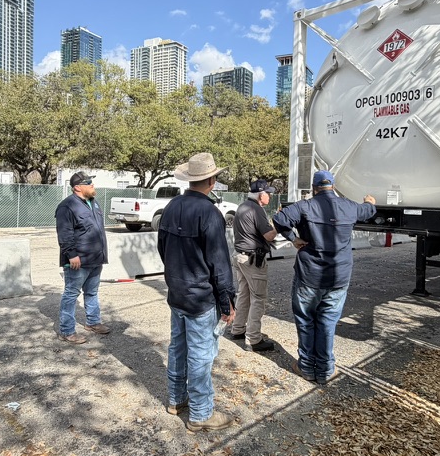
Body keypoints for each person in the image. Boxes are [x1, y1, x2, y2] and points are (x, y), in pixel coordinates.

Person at [272, 170, 377, 385]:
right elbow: (368, 211)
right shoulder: (350, 206)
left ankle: (307, 367)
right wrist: (370, 202)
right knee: (328, 322)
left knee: (306, 320)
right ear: (333, 187)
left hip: (309, 276)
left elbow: (279, 219)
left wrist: (293, 238)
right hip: (338, 278)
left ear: (314, 188)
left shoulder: (305, 206)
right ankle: (326, 369)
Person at [157, 152, 238, 432]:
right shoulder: (210, 213)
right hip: (201, 298)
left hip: (177, 292)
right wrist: (227, 302)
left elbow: (162, 249)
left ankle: (176, 400)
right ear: (212, 180)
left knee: (178, 348)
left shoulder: (170, 207)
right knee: (201, 355)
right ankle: (201, 414)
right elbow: (219, 262)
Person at [55, 171, 111, 344]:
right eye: (89, 183)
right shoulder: (67, 206)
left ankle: (93, 322)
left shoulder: (94, 203)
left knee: (92, 292)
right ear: (78, 187)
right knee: (71, 294)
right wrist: (71, 255)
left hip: (96, 258)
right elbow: (65, 233)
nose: (93, 186)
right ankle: (67, 331)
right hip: (79, 260)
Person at [227, 179, 279, 351]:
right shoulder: (256, 210)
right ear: (260, 194)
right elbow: (269, 236)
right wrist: (280, 223)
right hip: (252, 259)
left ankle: (238, 329)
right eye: (268, 193)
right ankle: (254, 339)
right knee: (258, 298)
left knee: (244, 294)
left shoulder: (242, 206)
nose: (270, 196)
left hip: (239, 256)